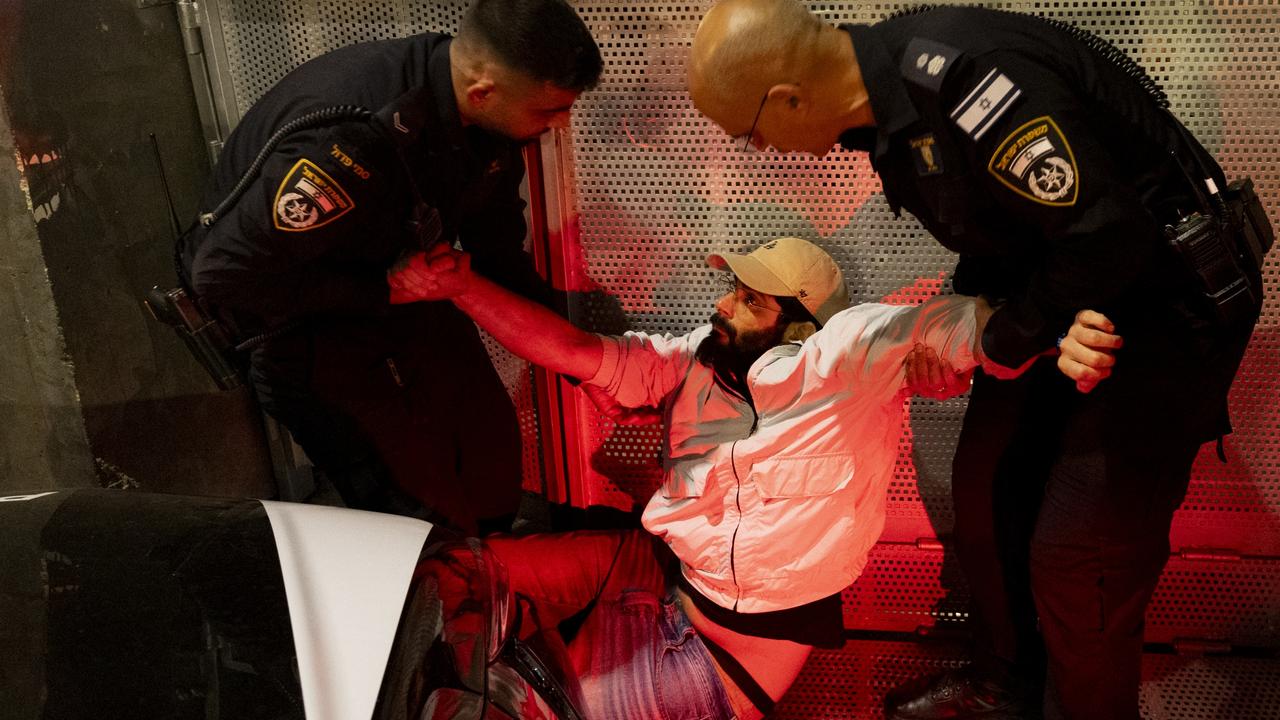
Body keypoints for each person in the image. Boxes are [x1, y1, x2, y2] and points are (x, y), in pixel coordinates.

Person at [687, 2, 1266, 719]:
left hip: (1164, 305)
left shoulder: (967, 77)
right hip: (1056, 294)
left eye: (751, 132)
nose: (762, 150)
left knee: (1080, 557)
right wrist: (962, 340)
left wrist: (1000, 340)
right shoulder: (888, 109)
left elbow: (1107, 236)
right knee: (987, 488)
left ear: (790, 99)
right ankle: (1007, 686)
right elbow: (1004, 233)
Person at [389, 236, 1113, 719]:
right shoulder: (694, 360)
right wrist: (461, 285)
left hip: (718, 658)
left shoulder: (837, 365)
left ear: (804, 324)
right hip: (652, 575)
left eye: (750, 299)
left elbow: (933, 326)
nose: (723, 306)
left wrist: (1040, 337)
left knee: (505, 711)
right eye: (732, 289)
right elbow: (576, 350)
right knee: (446, 579)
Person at [179, 0, 602, 534]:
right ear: (483, 91)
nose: (561, 124)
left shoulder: (486, 121)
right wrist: (383, 290)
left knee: (489, 467)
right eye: (549, 111)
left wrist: (590, 364)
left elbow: (499, 254)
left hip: (403, 294)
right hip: (302, 325)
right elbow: (223, 277)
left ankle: (496, 569)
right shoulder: (354, 135)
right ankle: (448, 593)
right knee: (427, 522)